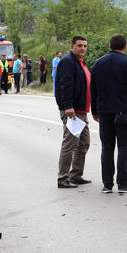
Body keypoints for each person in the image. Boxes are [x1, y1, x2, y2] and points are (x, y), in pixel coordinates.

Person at [91, 34, 127, 194]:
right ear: (125, 46)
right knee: (124, 147)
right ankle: (122, 184)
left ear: (109, 45)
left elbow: (93, 89)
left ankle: (107, 185)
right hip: (124, 110)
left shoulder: (98, 63)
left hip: (104, 111)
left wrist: (95, 110)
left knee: (107, 147)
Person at [54, 36, 92, 188]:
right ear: (72, 47)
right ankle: (63, 178)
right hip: (73, 111)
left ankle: (75, 175)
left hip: (82, 110)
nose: (83, 48)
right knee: (70, 144)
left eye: (85, 46)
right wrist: (68, 106)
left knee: (84, 143)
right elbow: (65, 85)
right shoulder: (68, 62)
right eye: (79, 45)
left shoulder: (80, 62)